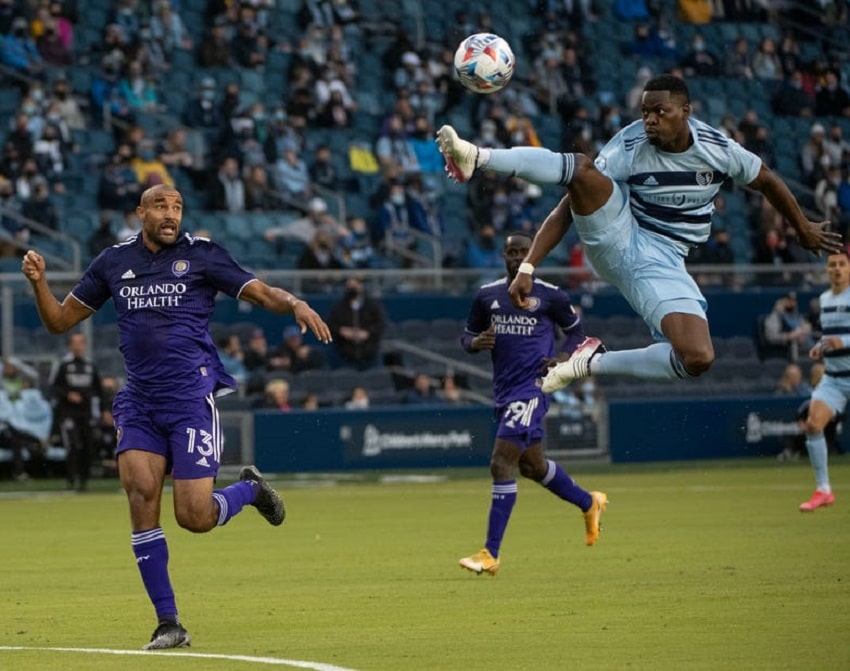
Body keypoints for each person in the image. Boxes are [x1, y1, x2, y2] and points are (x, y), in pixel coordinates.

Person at [20, 184, 332, 650]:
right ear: (141, 212)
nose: (171, 215)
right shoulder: (112, 262)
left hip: (189, 400)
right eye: (162, 206)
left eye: (178, 207)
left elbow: (261, 291)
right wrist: (39, 283)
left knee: (194, 517)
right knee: (141, 496)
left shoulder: (203, 255)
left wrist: (295, 303)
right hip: (140, 402)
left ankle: (249, 490)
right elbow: (60, 321)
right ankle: (169, 623)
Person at [436, 74, 842, 395]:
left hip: (663, 261)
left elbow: (767, 179)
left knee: (698, 357)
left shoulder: (718, 148)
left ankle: (587, 362)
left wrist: (803, 228)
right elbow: (571, 200)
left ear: (686, 111)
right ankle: (478, 156)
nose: (649, 120)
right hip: (619, 232)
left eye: (659, 112)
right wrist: (529, 264)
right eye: (645, 111)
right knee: (581, 167)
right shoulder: (630, 143)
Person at [457, 232, 607, 576]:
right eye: (511, 252)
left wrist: (563, 359)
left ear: (533, 256)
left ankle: (490, 553)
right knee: (532, 467)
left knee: (500, 463)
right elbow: (465, 336)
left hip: (534, 389)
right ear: (504, 256)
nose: (517, 257)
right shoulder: (487, 296)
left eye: (523, 252)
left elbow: (579, 334)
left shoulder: (551, 296)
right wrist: (476, 342)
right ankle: (589, 502)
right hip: (504, 391)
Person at [799, 251, 850, 512]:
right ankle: (824, 490)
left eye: (842, 264)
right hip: (835, 378)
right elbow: (831, 335)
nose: (837, 269)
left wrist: (845, 342)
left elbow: (843, 338)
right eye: (832, 265)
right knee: (812, 423)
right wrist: (820, 346)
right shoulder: (825, 299)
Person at [50, 332, 105, 491]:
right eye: (75, 343)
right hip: (68, 413)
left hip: (86, 413)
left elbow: (98, 390)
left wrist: (104, 411)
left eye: (81, 343)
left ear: (85, 346)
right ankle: (71, 480)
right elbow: (54, 387)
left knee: (87, 445)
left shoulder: (90, 366)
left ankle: (84, 481)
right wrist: (68, 394)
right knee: (73, 445)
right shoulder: (64, 366)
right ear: (70, 346)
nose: (78, 346)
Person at [327, 276, 385, 370]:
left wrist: (367, 333)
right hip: (345, 355)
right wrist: (342, 331)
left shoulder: (373, 306)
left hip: (369, 353)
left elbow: (380, 324)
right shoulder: (339, 307)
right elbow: (331, 325)